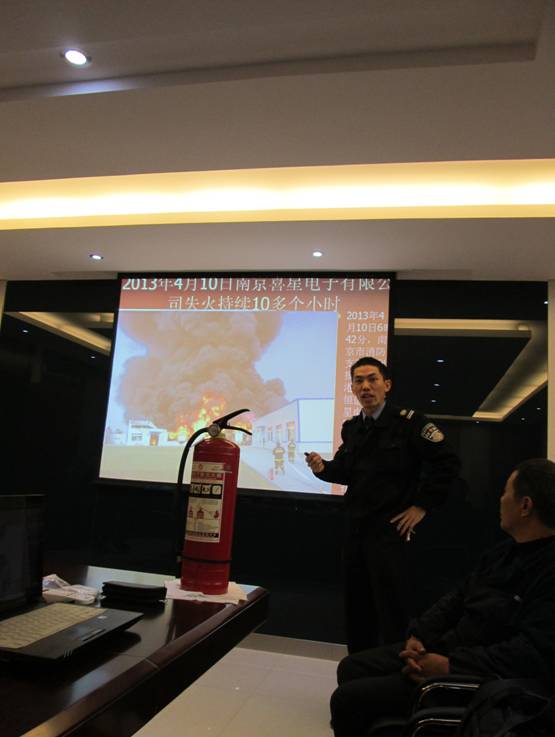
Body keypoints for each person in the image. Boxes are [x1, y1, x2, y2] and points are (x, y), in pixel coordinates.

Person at [329, 458, 555, 737]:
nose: (500, 499)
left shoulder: (548, 571)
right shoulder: (503, 553)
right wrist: (419, 635)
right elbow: (457, 599)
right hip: (447, 651)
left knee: (347, 700)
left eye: (506, 492)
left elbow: (530, 654)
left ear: (525, 506)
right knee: (352, 667)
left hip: (478, 680)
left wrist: (449, 665)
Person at [305, 357, 460, 654]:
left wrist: (422, 506)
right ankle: (359, 668)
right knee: (357, 609)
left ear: (386, 385)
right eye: (359, 381)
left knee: (392, 611)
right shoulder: (353, 428)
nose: (365, 386)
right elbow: (346, 471)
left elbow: (448, 463)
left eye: (372, 379)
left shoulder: (409, 423)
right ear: (352, 388)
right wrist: (322, 468)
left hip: (389, 533)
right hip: (356, 531)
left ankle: (394, 672)